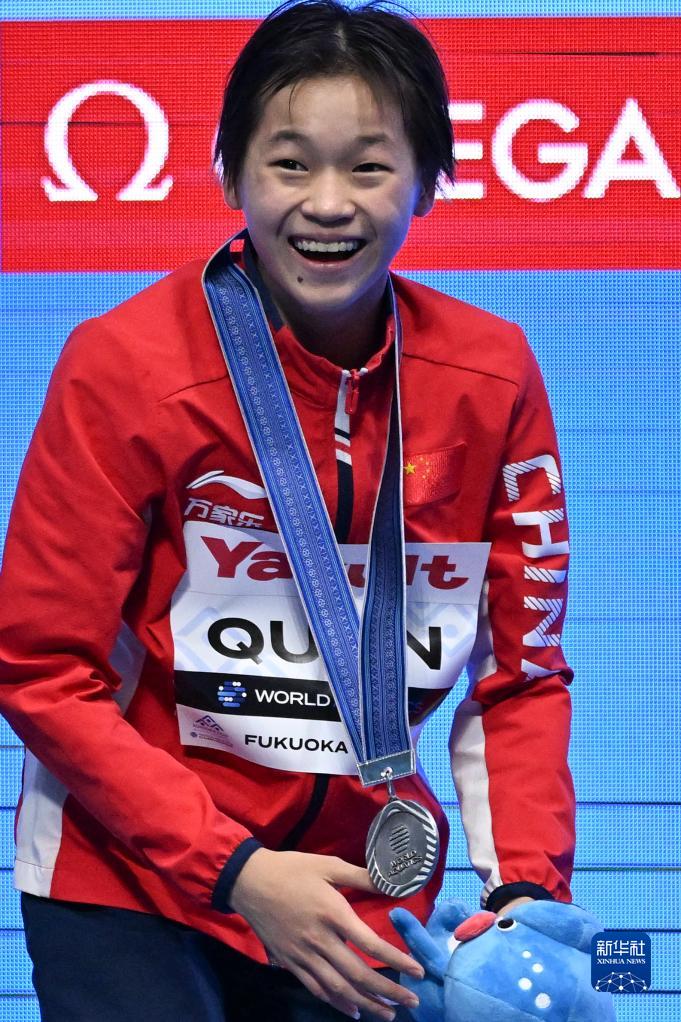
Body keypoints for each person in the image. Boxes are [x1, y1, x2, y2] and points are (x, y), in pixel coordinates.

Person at [0, 2, 576, 1019]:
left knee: (574, 991)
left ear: (429, 181)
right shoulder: (124, 367)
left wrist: (523, 893)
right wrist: (236, 870)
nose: (328, 203)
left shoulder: (490, 378)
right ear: (232, 174)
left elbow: (519, 674)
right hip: (130, 878)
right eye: (290, 163)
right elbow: (43, 671)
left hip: (363, 894)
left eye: (369, 166)